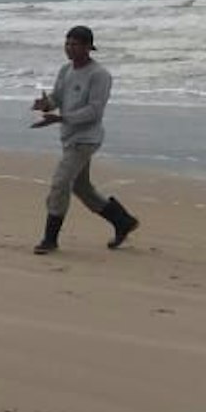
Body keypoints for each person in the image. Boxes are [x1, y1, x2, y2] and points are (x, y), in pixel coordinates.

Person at [30, 25, 139, 255]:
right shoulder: (65, 70)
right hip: (69, 137)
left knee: (60, 183)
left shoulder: (99, 75)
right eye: (67, 43)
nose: (70, 48)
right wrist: (46, 104)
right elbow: (58, 97)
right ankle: (123, 221)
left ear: (89, 47)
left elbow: (94, 111)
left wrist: (61, 118)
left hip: (86, 139)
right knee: (81, 187)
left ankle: (50, 239)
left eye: (75, 44)